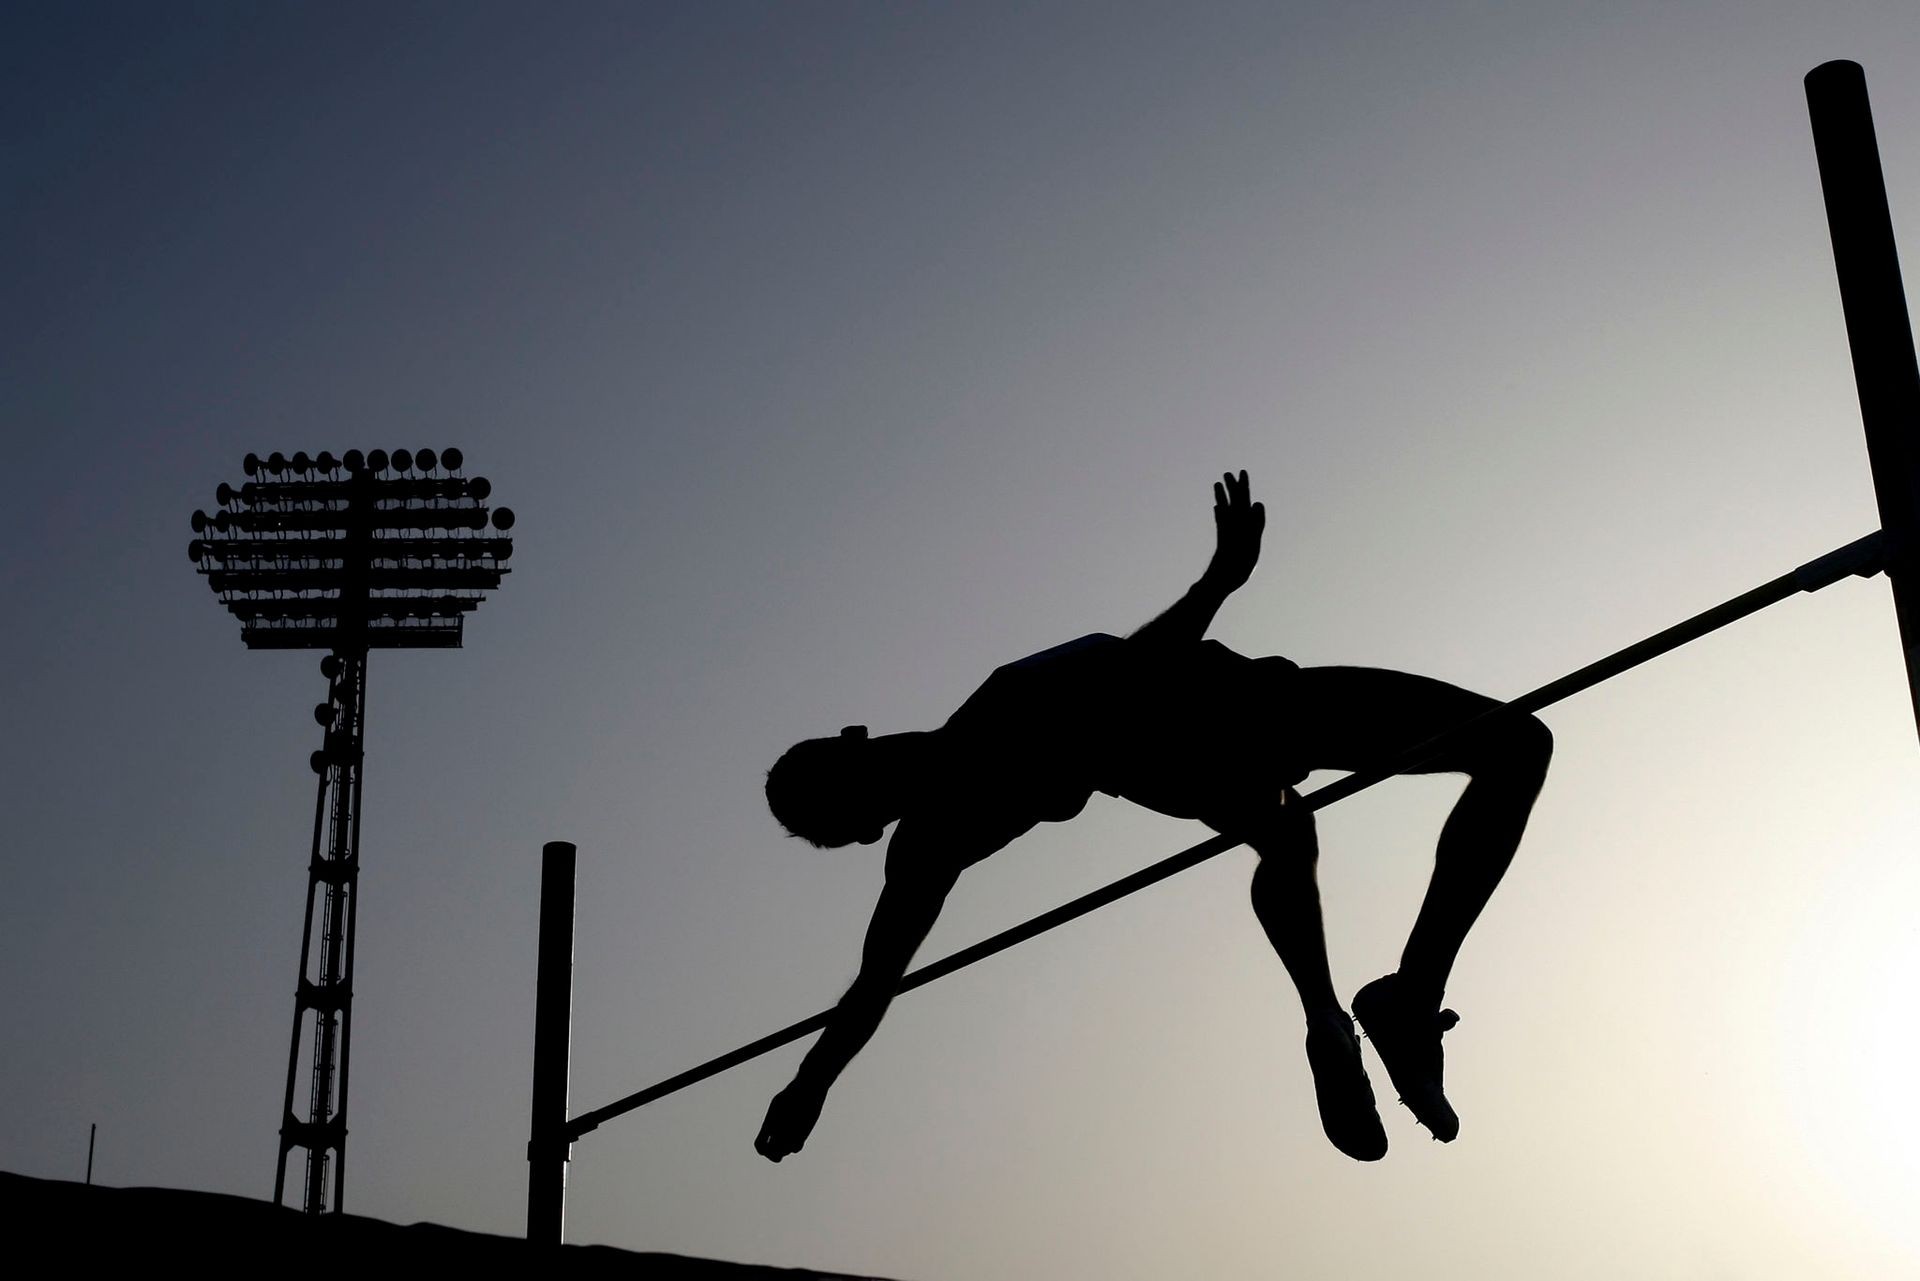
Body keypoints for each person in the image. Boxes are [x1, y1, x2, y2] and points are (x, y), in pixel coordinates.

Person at [755, 472, 1551, 1162]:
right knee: (1508, 750)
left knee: (1295, 828)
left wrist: (809, 1083)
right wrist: (1218, 581)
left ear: (854, 740)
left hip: (1205, 748)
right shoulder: (983, 743)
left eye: (848, 771)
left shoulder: (938, 828)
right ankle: (1384, 1009)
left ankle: (1338, 1018)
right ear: (864, 822)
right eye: (851, 795)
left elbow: (871, 987)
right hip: (1247, 719)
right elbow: (1127, 675)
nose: (871, 772)